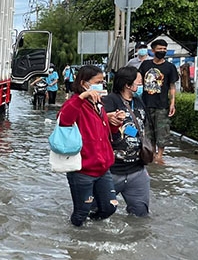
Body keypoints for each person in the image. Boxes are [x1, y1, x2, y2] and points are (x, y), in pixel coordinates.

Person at [57, 65, 119, 227]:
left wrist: (114, 123)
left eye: (103, 81)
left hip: (102, 167)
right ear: (84, 83)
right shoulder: (75, 103)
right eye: (97, 82)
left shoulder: (98, 105)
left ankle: (92, 230)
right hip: (82, 169)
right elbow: (64, 120)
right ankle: (77, 241)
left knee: (110, 207)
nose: (102, 85)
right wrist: (81, 97)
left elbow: (103, 133)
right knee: (81, 212)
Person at [102, 67, 151, 217]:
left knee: (141, 215)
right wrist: (109, 117)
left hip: (137, 170)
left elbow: (139, 129)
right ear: (127, 85)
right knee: (98, 213)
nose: (142, 85)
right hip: (112, 171)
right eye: (139, 82)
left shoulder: (139, 102)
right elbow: (100, 123)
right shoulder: (110, 101)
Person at [137, 39, 178, 165]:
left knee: (162, 131)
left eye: (164, 49)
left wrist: (172, 103)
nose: (162, 51)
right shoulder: (145, 65)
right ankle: (152, 154)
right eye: (160, 49)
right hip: (146, 103)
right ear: (153, 50)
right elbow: (138, 80)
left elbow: (172, 86)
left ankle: (160, 155)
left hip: (162, 105)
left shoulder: (170, 67)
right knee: (148, 132)